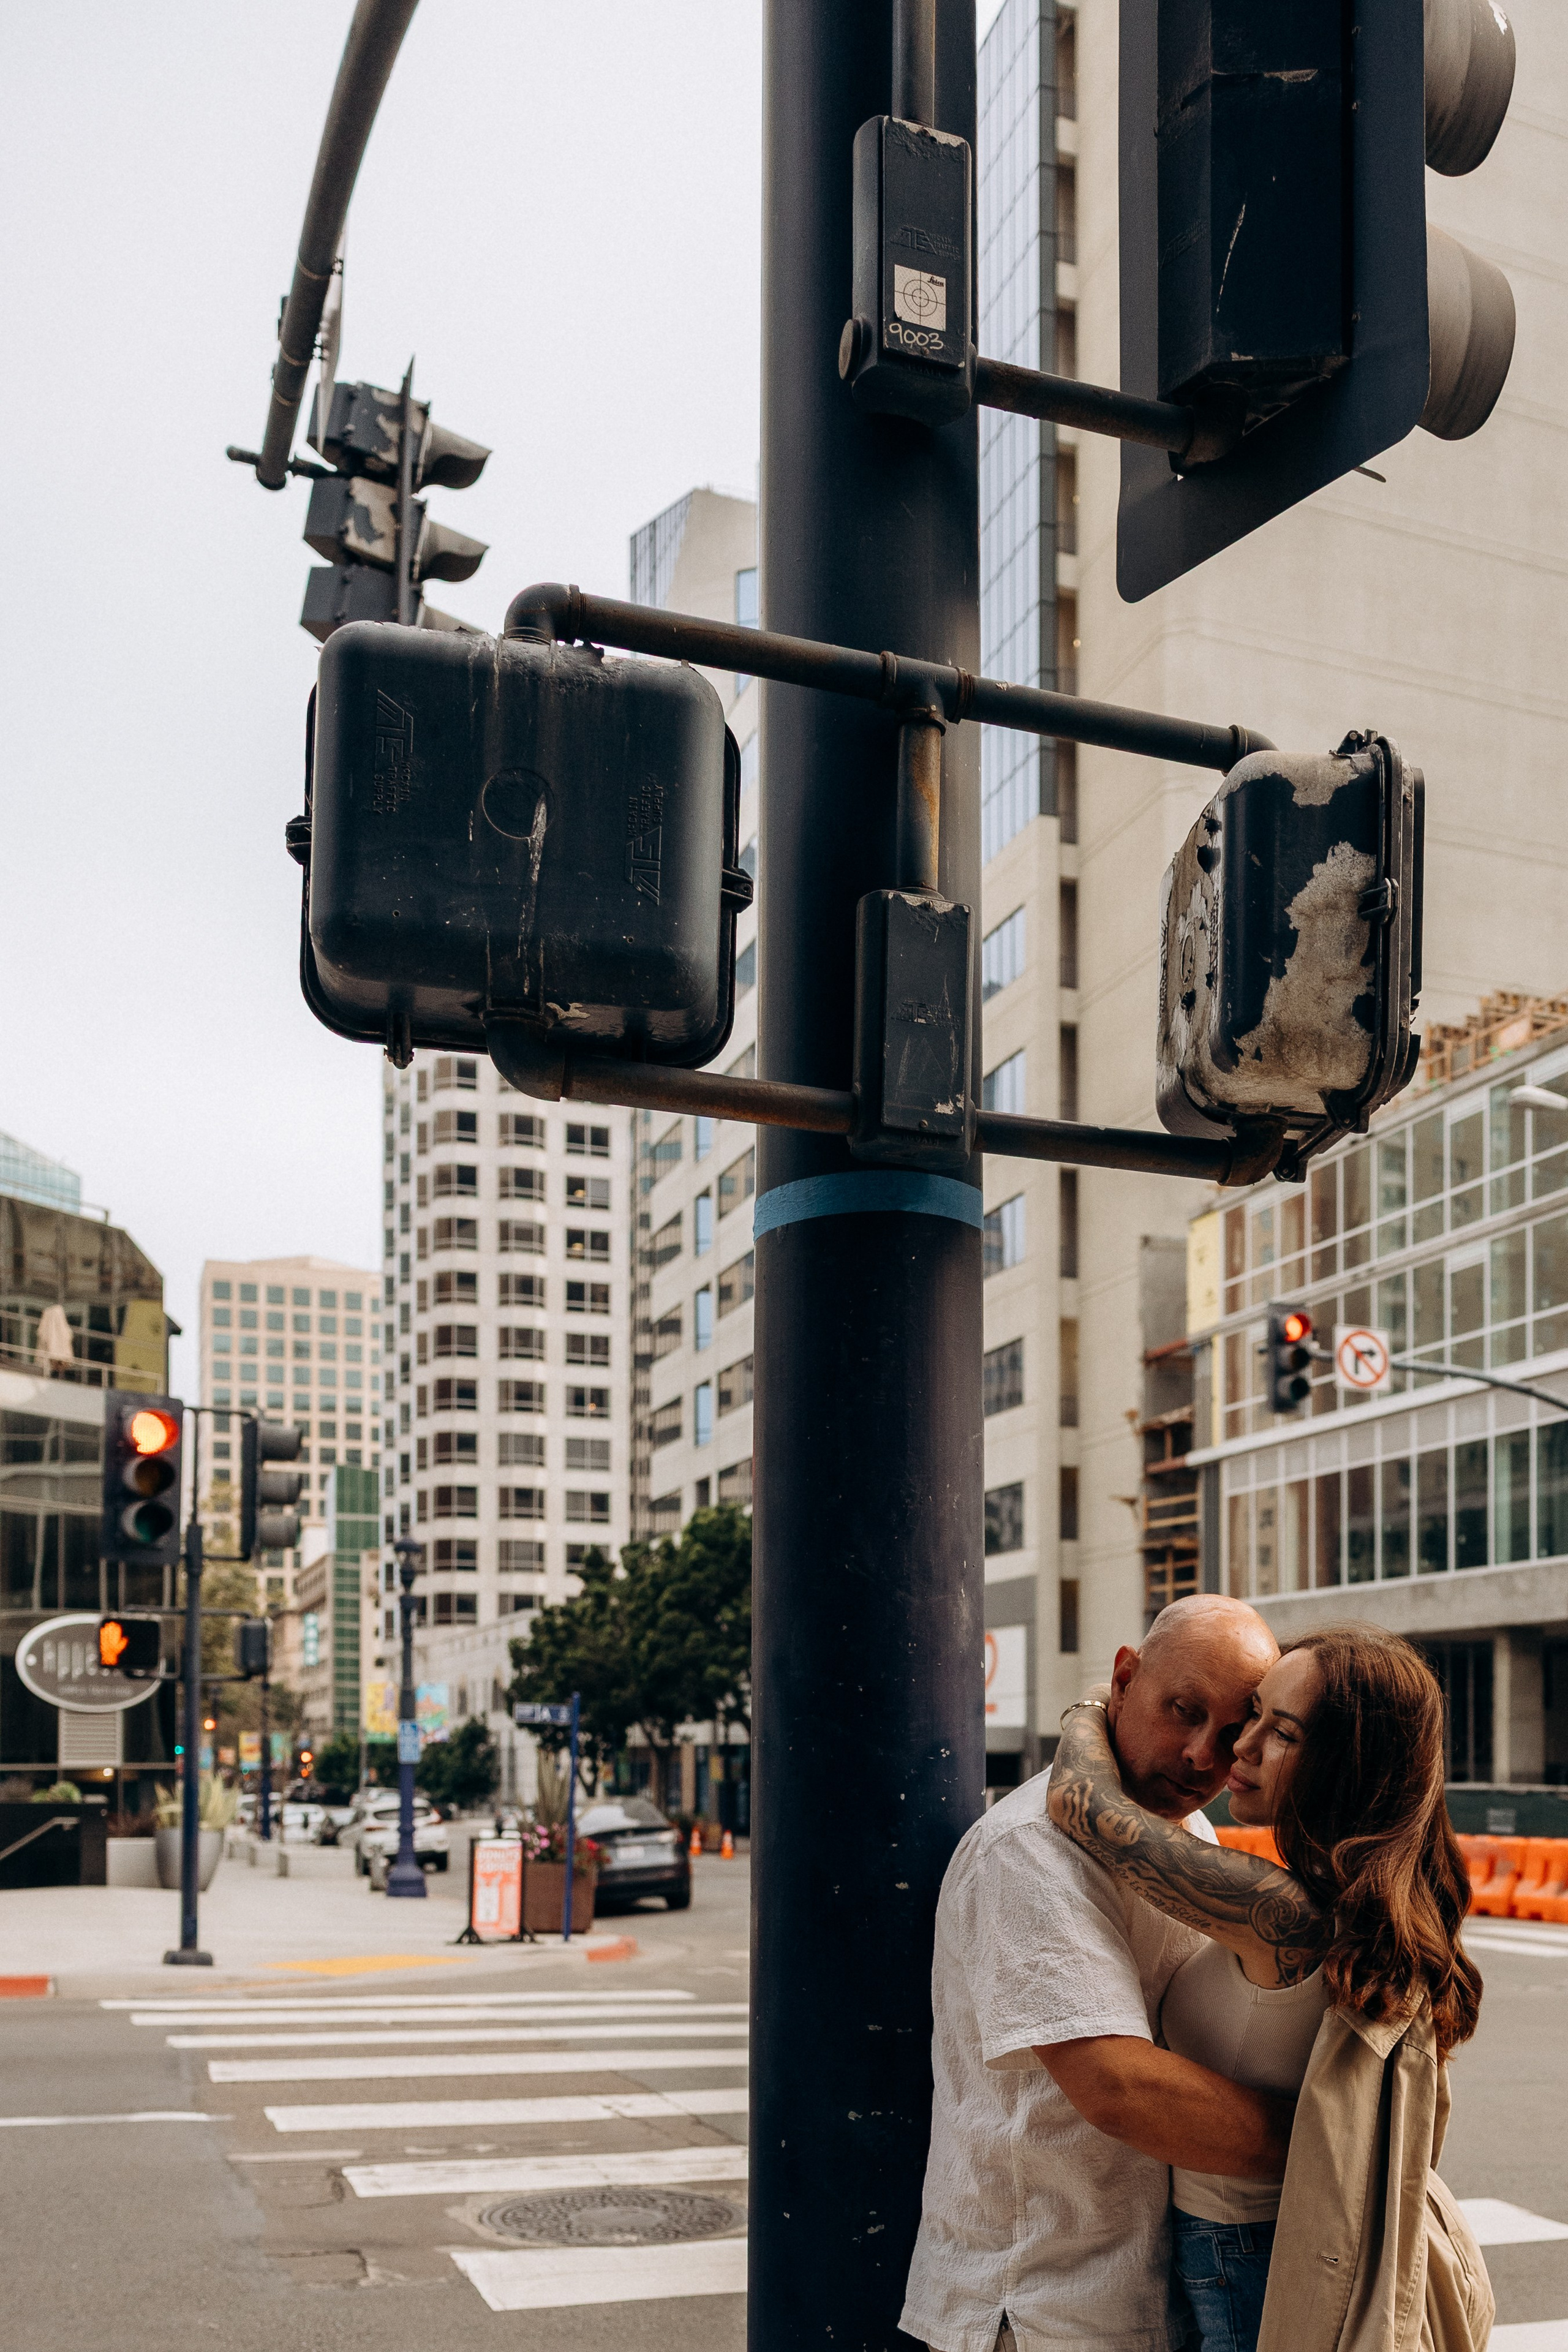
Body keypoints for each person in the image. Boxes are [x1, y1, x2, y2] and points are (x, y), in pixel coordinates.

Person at [1048, 1624, 1491, 2352]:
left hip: (1249, 2257)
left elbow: (1080, 1803)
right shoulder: (1368, 1900)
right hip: (1277, 2240)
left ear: (1345, 1764)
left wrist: (1103, 1699)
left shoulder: (1284, 1915)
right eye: (1252, 1713)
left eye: (1279, 1731)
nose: (1240, 1747)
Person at [900, 1594, 1292, 2352]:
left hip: (1136, 2296)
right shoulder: (1028, 1850)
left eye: (1234, 1730)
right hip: (1041, 2307)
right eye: (1183, 1709)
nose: (1202, 1754)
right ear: (1123, 1678)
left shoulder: (1187, 1829)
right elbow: (1116, 2084)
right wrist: (1340, 2140)